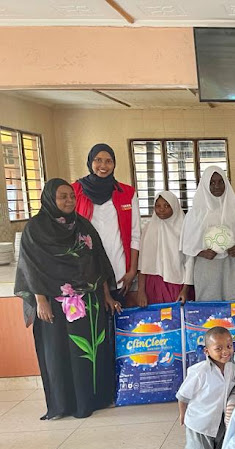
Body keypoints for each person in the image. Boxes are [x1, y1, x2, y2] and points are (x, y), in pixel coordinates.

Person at [15, 178, 121, 420]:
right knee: (60, 353)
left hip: (89, 303)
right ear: (51, 198)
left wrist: (106, 294)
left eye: (72, 196)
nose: (69, 201)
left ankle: (93, 400)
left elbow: (99, 261)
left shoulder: (82, 225)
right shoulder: (36, 229)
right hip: (55, 305)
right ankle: (65, 404)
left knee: (89, 353)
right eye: (63, 196)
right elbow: (31, 268)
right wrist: (40, 300)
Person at [71, 143, 141, 307]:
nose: (103, 166)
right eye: (98, 160)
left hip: (119, 272)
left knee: (119, 324)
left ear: (114, 164)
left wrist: (132, 271)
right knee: (95, 325)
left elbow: (135, 234)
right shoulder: (75, 191)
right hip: (88, 272)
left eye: (108, 161)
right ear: (90, 162)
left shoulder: (127, 193)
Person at [180, 166, 235, 301]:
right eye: (212, 182)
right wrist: (201, 252)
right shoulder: (196, 213)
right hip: (207, 265)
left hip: (232, 265)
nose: (217, 186)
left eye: (220, 181)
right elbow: (187, 245)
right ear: (205, 184)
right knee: (210, 306)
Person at [176, 327, 235, 449]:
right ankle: (192, 446)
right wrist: (183, 415)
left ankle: (212, 444)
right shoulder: (200, 372)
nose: (226, 352)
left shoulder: (230, 368)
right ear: (207, 351)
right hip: (200, 422)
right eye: (219, 349)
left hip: (218, 419)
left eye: (229, 346)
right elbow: (182, 396)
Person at [136, 190, 192, 305]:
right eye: (158, 206)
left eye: (167, 206)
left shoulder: (184, 229)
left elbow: (189, 261)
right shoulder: (149, 228)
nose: (161, 209)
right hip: (153, 284)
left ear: (175, 206)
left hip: (177, 283)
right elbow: (142, 262)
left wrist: (185, 289)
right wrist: (141, 290)